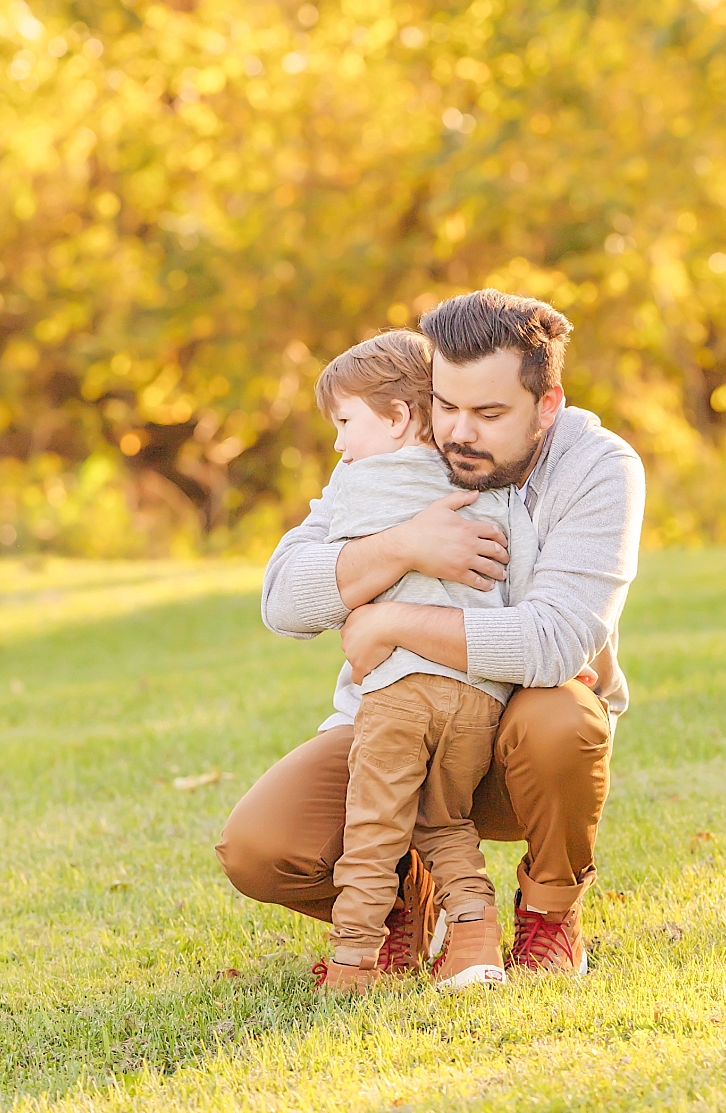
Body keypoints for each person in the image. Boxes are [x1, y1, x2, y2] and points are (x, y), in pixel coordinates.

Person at [218, 290, 644, 977]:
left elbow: (554, 644)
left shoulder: (598, 467)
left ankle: (550, 915)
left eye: (489, 413)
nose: (459, 433)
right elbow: (285, 601)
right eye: (447, 405)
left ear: (547, 404)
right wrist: (405, 545)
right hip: (393, 726)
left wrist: (389, 619)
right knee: (260, 847)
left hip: (517, 748)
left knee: (563, 716)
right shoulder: (391, 443)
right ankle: (407, 899)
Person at [303, 331, 532, 993]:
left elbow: (311, 588)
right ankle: (476, 938)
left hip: (400, 692)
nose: (340, 446)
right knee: (441, 817)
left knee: (373, 832)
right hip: (477, 693)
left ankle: (353, 965)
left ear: (400, 416)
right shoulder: (482, 477)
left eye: (346, 423)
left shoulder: (357, 485)